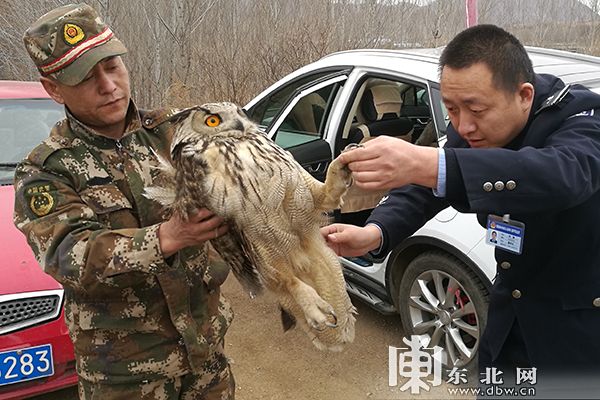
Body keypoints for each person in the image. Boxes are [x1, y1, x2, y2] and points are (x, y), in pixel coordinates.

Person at [322, 24, 600, 394]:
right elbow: (427, 187)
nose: (463, 125)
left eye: (476, 109)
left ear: (524, 95)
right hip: (509, 315)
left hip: (578, 332)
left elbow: (562, 176)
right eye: (450, 109)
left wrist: (424, 161)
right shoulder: (470, 127)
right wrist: (376, 232)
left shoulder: (583, 119)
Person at [14, 4, 235, 399]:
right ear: (53, 88)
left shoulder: (176, 131)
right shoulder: (45, 171)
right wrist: (167, 236)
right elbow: (69, 255)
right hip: (125, 377)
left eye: (112, 66)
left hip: (206, 356)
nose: (108, 85)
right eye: (85, 76)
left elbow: (245, 178)